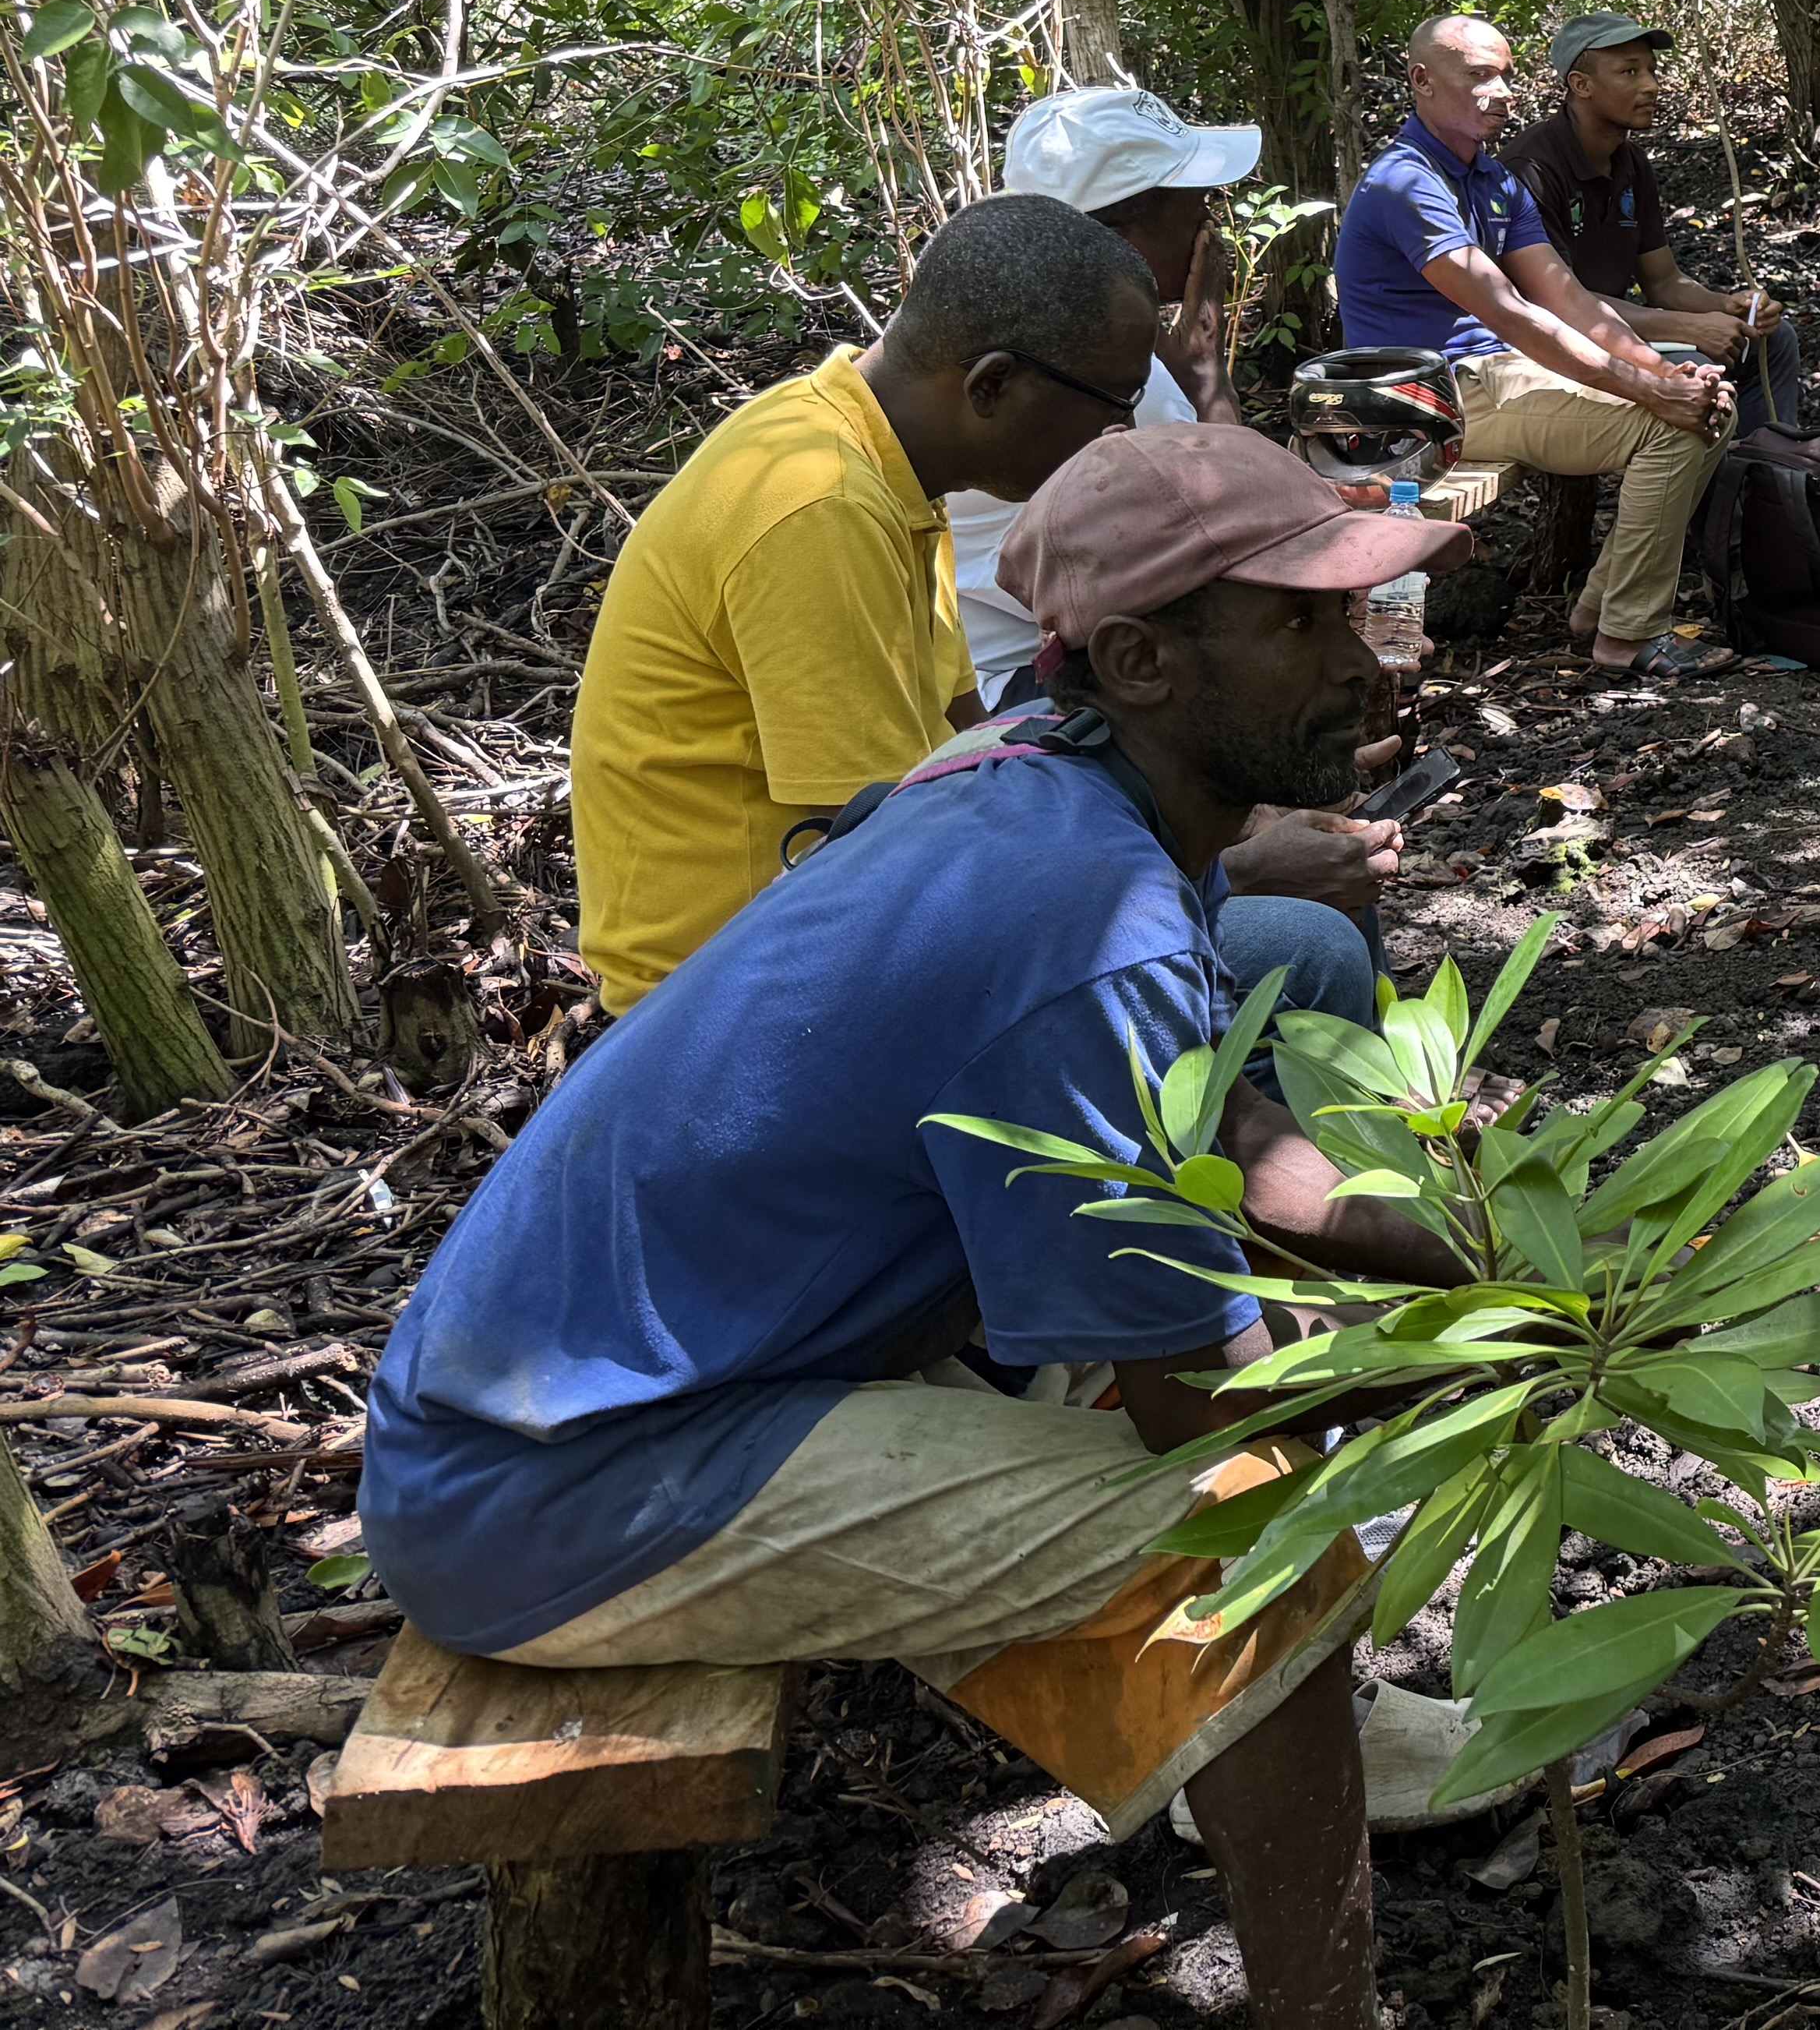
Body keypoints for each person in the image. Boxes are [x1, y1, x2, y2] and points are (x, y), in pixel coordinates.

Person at [367, 427, 1506, 2030]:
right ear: (1139, 659)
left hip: (569, 1407)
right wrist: (1509, 1362)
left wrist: (1472, 1256)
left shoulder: (1046, 774)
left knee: (1230, 1392)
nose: (1364, 666)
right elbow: (1212, 1414)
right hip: (554, 1488)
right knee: (1261, 1540)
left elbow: (1218, 1134)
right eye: (1304, 624)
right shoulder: (1079, 922)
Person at [566, 195, 1156, 1014]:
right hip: (732, 999)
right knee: (1296, 950)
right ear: (994, 386)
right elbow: (887, 863)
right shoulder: (822, 506)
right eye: (1112, 401)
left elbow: (971, 745)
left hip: (836, 927)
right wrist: (1196, 873)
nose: (1118, 433)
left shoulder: (890, 465)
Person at [1334, 14, 1735, 676]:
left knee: (1708, 407)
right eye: (1479, 76)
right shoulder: (1405, 183)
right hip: (1428, 399)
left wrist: (1668, 375)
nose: (1502, 92)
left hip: (1495, 378)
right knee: (1667, 426)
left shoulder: (1494, 181)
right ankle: (1627, 635)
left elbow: (1567, 299)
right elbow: (1514, 313)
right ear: (1422, 81)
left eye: (1507, 77)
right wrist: (1649, 392)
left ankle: (1604, 609)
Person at [951, 84, 1261, 707]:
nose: (1210, 228)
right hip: (1023, 685)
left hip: (1013, 659)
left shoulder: (1016, 309)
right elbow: (1240, 529)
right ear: (1121, 238)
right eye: (1196, 206)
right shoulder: (1093, 362)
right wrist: (1206, 377)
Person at [1501, 10, 1809, 433]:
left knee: (1774, 341)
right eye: (1630, 71)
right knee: (1699, 375)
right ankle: (1704, 497)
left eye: (1652, 70)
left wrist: (1726, 307)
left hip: (1614, 331)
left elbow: (1663, 282)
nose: (1652, 86)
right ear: (1581, 85)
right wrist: (1689, 327)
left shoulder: (1631, 163)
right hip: (1553, 345)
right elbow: (1557, 305)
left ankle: (1766, 479)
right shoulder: (1531, 169)